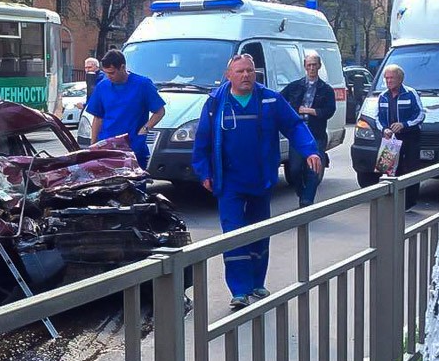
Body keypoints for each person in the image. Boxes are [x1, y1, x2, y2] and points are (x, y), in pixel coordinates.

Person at [192, 54, 323, 311]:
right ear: (229, 75)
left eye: (250, 71)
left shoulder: (270, 99)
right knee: (233, 233)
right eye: (240, 71)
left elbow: (294, 125)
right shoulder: (216, 102)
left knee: (259, 232)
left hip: (260, 179)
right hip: (228, 181)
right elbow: (203, 139)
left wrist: (311, 150)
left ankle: (255, 283)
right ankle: (239, 290)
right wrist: (204, 171)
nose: (246, 76)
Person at [85, 49, 166, 169]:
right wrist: (93, 146)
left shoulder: (142, 84)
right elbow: (98, 118)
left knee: (135, 185)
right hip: (108, 147)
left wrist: (145, 129)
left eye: (112, 73)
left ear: (122, 67)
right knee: (110, 186)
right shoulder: (103, 86)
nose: (109, 76)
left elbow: (159, 111)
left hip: (133, 146)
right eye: (106, 73)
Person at [280, 50, 336, 207]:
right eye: (309, 65)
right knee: (295, 169)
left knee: (313, 170)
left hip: (316, 134)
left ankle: (307, 201)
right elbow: (279, 101)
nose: (312, 68)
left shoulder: (326, 90)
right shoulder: (294, 86)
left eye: (314, 65)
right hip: (297, 134)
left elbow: (329, 110)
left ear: (319, 66)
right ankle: (301, 192)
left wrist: (310, 111)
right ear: (305, 66)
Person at [376, 64, 425, 210]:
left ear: (400, 79)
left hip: (410, 137)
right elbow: (378, 117)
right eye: (387, 78)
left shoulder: (411, 93)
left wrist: (404, 124)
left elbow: (420, 114)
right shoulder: (382, 96)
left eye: (392, 78)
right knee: (387, 169)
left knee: (410, 169)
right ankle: (389, 201)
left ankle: (409, 203)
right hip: (390, 139)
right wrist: (384, 129)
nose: (389, 81)